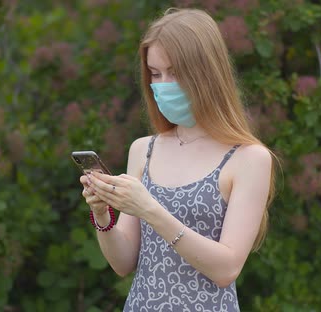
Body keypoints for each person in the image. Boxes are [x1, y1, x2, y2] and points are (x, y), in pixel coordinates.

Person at [79, 8, 274, 311]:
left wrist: (150, 209)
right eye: (155, 74)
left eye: (175, 72)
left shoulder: (249, 158)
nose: (163, 84)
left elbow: (227, 269)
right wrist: (102, 215)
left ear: (207, 73)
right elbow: (124, 262)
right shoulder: (143, 149)